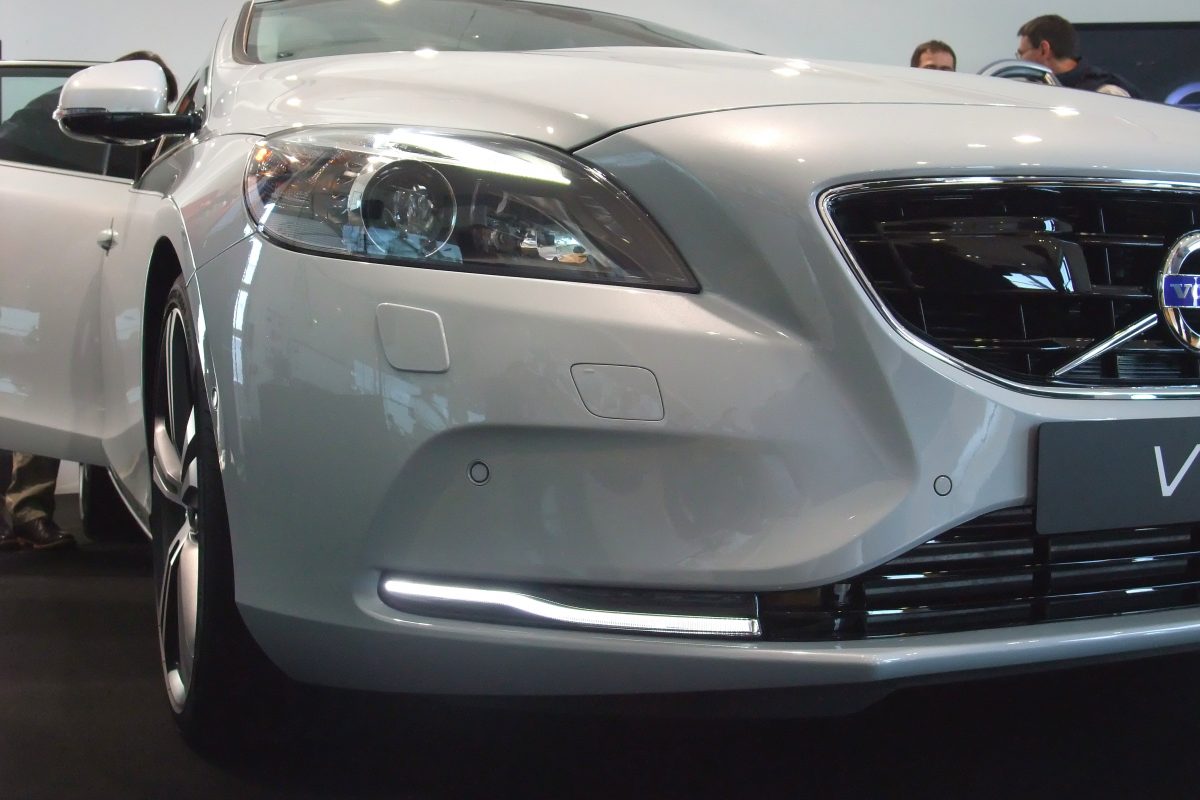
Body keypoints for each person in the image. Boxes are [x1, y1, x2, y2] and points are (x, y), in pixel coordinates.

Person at [0, 51, 177, 552]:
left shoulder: (64, 116)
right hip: (42, 267)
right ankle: (27, 512)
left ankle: (27, 512)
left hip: (79, 268)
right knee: (39, 380)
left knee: (49, 383)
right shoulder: (53, 119)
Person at [1016, 15, 1142, 98]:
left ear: (1044, 50)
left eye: (1021, 53)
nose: (1020, 60)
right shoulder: (1040, 88)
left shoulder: (1107, 93)